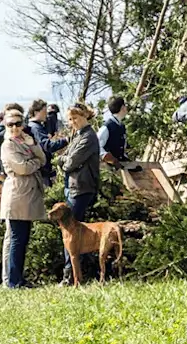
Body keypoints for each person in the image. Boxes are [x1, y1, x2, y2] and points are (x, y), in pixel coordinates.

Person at [0, 109, 46, 289]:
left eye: (18, 124)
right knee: (16, 239)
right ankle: (12, 281)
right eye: (10, 125)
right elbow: (22, 168)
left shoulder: (26, 141)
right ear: (5, 125)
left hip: (28, 195)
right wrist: (35, 163)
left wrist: (33, 147)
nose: (14, 128)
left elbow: (43, 158)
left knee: (23, 239)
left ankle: (18, 278)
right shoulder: (8, 145)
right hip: (17, 196)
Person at [57, 104, 101, 286]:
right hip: (73, 187)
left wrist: (63, 160)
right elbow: (64, 157)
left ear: (85, 116)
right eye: (70, 119)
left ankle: (71, 276)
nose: (72, 122)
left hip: (81, 188)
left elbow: (69, 162)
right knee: (72, 233)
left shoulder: (89, 137)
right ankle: (75, 272)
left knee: (71, 234)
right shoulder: (77, 135)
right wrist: (64, 159)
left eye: (75, 118)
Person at [26, 99, 69, 188]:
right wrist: (66, 140)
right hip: (41, 171)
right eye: (44, 111)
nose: (46, 114)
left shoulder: (33, 126)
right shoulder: (36, 128)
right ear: (36, 112)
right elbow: (48, 146)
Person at [98, 96, 129, 166]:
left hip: (120, 166)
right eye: (125, 105)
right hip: (108, 168)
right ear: (122, 108)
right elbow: (96, 145)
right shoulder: (107, 127)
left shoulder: (121, 126)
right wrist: (108, 158)